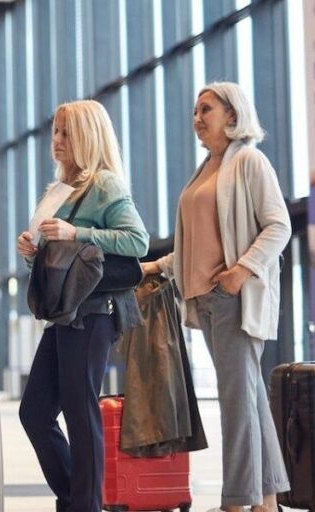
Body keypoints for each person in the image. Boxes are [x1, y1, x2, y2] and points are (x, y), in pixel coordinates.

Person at [142, 82, 291, 512]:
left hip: (233, 299)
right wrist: (158, 266)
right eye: (194, 110)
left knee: (236, 402)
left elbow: (278, 226)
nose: (196, 118)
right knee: (250, 399)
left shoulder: (249, 161)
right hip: (207, 300)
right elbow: (196, 242)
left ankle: (235, 502)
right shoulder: (207, 167)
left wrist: (242, 271)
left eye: (205, 109)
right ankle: (265, 499)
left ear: (232, 114)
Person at [17, 100, 149, 512]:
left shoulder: (105, 184)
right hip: (63, 313)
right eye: (55, 132)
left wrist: (78, 232)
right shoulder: (57, 191)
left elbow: (137, 241)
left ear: (88, 136)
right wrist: (29, 251)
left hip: (94, 312)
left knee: (80, 412)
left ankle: (84, 505)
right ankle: (78, 498)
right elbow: (53, 260)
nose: (56, 141)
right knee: (35, 412)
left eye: (66, 132)